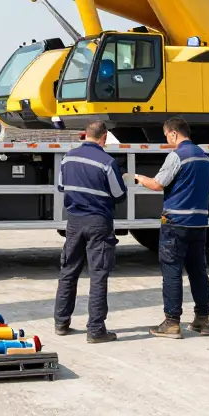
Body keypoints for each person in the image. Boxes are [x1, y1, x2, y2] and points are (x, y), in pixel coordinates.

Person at [133, 117, 209, 338]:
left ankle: (171, 322)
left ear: (174, 134)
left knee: (172, 271)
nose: (166, 139)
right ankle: (203, 320)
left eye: (167, 135)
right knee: (198, 271)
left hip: (176, 223)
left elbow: (157, 184)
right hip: (199, 223)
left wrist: (139, 178)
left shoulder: (177, 156)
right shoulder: (204, 157)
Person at [53, 120, 127, 343]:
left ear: (85, 135)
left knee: (68, 271)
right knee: (98, 274)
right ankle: (96, 330)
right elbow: (119, 195)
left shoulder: (68, 158)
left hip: (74, 221)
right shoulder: (107, 162)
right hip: (98, 222)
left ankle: (61, 323)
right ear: (104, 137)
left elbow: (61, 186)